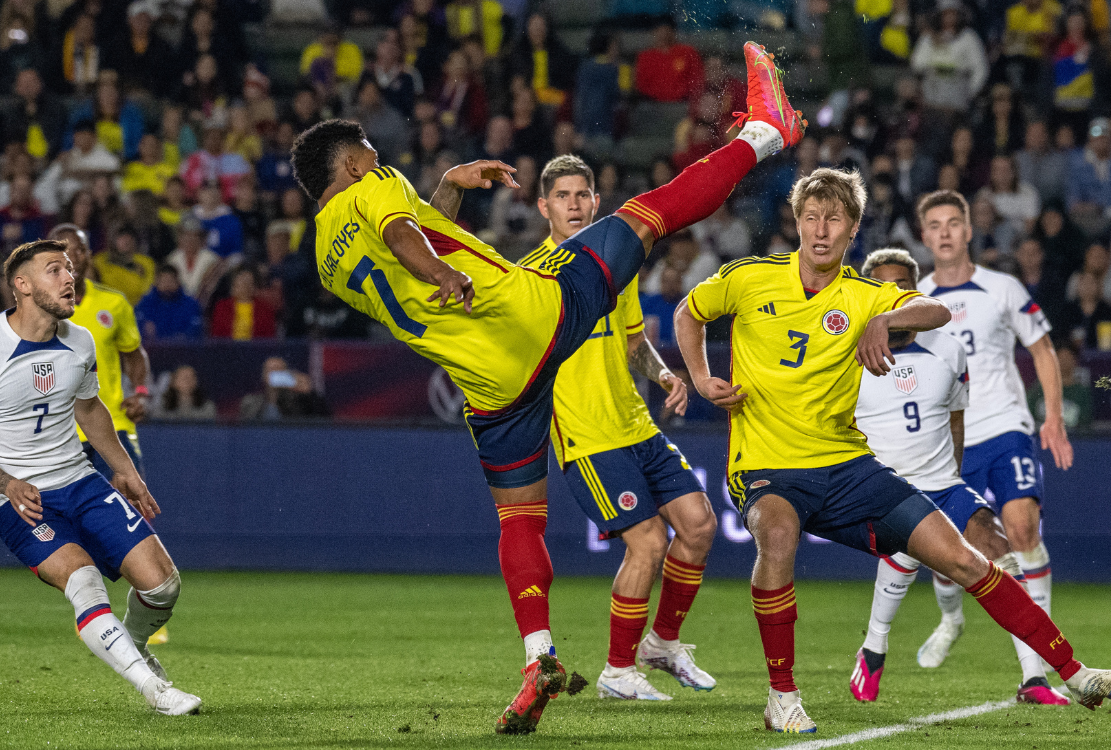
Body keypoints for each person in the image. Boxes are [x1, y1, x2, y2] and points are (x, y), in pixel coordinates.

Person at [293, 42, 804, 734]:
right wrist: (444, 270)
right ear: (353, 164)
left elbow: (410, 236)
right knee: (646, 216)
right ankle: (768, 130)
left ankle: (539, 657)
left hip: (488, 387)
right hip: (529, 319)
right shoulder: (374, 190)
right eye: (370, 155)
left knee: (518, 520)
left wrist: (447, 185)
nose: (379, 161)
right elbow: (407, 234)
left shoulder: (325, 252)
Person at [674, 167, 1111, 733]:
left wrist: (886, 319)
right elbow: (687, 312)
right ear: (797, 222)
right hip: (767, 466)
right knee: (779, 534)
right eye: (811, 217)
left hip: (847, 466)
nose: (820, 230)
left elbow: (935, 311)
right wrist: (699, 376)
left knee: (966, 557)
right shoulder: (748, 278)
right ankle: (782, 696)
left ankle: (1075, 671)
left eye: (833, 219)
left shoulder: (865, 295)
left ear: (852, 229)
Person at [0, 239, 200, 715]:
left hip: (80, 481)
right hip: (19, 501)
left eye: (69, 269)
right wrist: (6, 483)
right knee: (83, 581)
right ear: (22, 285)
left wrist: (126, 471)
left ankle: (135, 646)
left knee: (163, 585)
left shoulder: (78, 340)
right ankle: (154, 690)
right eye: (54, 270)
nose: (69, 277)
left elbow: (90, 408)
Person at [525, 154, 718, 701]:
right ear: (544, 208)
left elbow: (634, 342)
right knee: (649, 542)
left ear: (596, 202)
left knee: (699, 526)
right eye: (563, 196)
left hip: (636, 426)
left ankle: (662, 644)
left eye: (583, 195)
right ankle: (616, 670)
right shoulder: (532, 278)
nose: (574, 205)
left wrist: (663, 375)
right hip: (587, 436)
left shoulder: (615, 267)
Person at [846, 248, 1065, 706]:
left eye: (906, 291)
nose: (898, 303)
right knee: (905, 560)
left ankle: (1033, 678)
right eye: (887, 292)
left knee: (999, 547)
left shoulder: (947, 346)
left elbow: (956, 417)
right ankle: (874, 647)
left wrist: (955, 475)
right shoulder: (847, 355)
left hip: (944, 483)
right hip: (890, 487)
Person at [916, 189, 1079, 698]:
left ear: (968, 231)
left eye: (952, 223)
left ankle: (1035, 670)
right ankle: (950, 620)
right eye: (934, 225)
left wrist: (1052, 416)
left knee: (1022, 530)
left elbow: (1043, 348)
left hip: (1007, 426)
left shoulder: (1002, 287)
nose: (944, 232)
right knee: (949, 552)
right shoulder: (913, 298)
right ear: (924, 237)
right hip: (949, 440)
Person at [47, 224, 152, 486]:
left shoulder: (114, 303)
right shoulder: (32, 310)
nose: (71, 259)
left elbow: (134, 355)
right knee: (63, 523)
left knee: (131, 514)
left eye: (78, 250)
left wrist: (139, 392)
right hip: (58, 435)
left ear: (89, 255)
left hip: (113, 427)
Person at [238, 356, 327, 421]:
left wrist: (309, 394)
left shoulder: (298, 402)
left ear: (287, 374)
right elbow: (243, 427)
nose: (275, 373)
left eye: (279, 370)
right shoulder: (250, 402)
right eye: (271, 370)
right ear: (264, 375)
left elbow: (323, 420)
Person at [135, 265, 203, 340]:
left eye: (171, 281)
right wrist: (144, 329)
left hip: (182, 349)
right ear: (156, 282)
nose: (167, 285)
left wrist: (183, 337)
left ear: (178, 282)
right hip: (152, 349)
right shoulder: (145, 303)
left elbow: (195, 330)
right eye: (163, 281)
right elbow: (136, 328)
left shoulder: (190, 304)